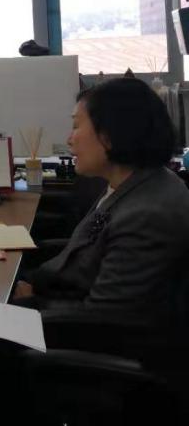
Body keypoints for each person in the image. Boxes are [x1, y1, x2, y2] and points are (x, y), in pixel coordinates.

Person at [13, 77, 189, 324]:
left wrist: (28, 307)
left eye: (76, 126)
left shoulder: (148, 214)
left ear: (109, 135)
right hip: (59, 299)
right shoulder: (131, 184)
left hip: (69, 329)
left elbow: (104, 321)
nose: (69, 139)